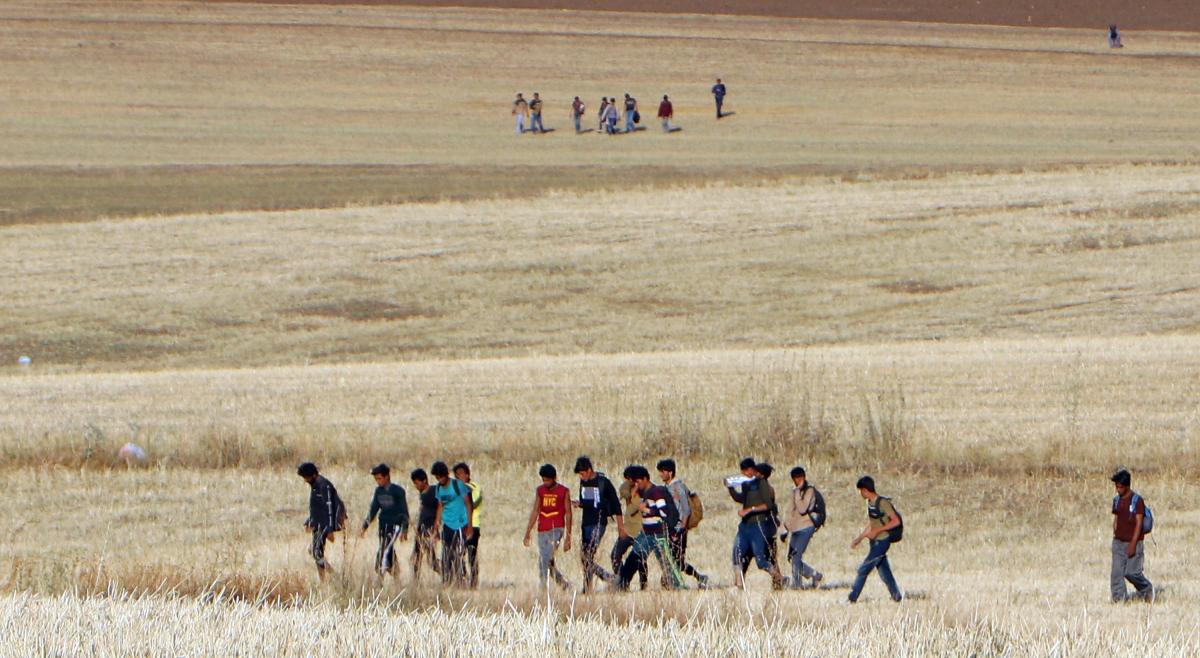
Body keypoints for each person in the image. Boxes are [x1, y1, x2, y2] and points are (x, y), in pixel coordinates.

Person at [727, 458, 784, 589]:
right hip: (745, 526)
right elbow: (742, 499)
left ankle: (780, 579)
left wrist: (750, 510)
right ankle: (738, 586)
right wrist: (730, 488)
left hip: (759, 525)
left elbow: (768, 505)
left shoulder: (762, 484)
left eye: (747, 470)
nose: (745, 473)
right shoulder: (746, 484)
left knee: (761, 560)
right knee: (737, 553)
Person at [629, 465, 685, 590]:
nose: (636, 485)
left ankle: (678, 585)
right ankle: (622, 582)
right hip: (647, 533)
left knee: (667, 562)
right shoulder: (645, 493)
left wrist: (647, 509)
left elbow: (663, 511)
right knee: (635, 557)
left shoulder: (656, 492)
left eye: (637, 482)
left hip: (658, 534)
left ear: (645, 479)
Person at [848, 476, 904, 603]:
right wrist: (860, 538)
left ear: (865, 490)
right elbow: (873, 524)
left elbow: (896, 521)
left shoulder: (883, 503)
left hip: (882, 541)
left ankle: (852, 598)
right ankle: (897, 596)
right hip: (874, 542)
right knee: (885, 573)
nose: (860, 493)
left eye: (861, 490)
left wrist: (878, 531)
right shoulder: (870, 503)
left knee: (863, 569)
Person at [657, 459, 709, 588]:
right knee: (671, 558)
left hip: (678, 528)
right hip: (669, 528)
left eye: (663, 471)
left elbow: (686, 509)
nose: (661, 474)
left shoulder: (679, 487)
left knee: (677, 560)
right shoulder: (666, 488)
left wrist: (681, 529)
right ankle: (670, 581)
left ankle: (697, 577)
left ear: (670, 472)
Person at [573, 456, 622, 593]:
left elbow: (616, 504)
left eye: (583, 474)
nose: (581, 477)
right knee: (585, 557)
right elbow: (586, 501)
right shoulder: (583, 483)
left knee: (588, 555)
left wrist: (620, 527)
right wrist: (579, 504)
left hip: (599, 522)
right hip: (586, 522)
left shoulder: (603, 482)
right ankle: (588, 586)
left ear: (589, 470)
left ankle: (610, 578)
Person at [523, 464, 573, 590]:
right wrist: (528, 531)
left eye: (548, 480)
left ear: (554, 478)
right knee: (548, 560)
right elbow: (535, 510)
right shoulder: (540, 491)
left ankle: (543, 586)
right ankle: (563, 584)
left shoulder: (563, 491)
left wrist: (568, 536)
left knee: (543, 559)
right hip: (542, 529)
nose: (545, 483)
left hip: (557, 528)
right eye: (543, 480)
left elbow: (568, 513)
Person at [297, 462, 346, 581]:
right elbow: (317, 507)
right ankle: (325, 579)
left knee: (316, 552)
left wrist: (330, 529)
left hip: (325, 523)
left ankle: (334, 577)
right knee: (315, 552)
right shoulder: (316, 485)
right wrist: (310, 521)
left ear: (313, 475)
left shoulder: (323, 485)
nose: (305, 480)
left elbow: (329, 508)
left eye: (306, 477)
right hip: (319, 523)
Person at [360, 463, 409, 581]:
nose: (378, 481)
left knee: (384, 550)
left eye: (380, 478)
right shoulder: (378, 491)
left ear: (387, 476)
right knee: (389, 550)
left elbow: (404, 511)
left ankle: (379, 579)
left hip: (394, 526)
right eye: (376, 479)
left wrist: (404, 529)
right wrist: (364, 526)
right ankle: (396, 577)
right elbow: (373, 509)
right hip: (383, 525)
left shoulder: (398, 491)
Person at [1110, 469, 1153, 602]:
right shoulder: (1116, 500)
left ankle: (1146, 590)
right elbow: (1116, 518)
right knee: (1116, 573)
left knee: (1132, 573)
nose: (1118, 489)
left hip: (1134, 542)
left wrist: (1133, 544)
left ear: (1127, 486)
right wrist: (1115, 532)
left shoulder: (1137, 501)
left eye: (1120, 486)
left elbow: (1139, 523)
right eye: (1116, 486)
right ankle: (1119, 599)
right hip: (1118, 542)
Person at [431, 461, 474, 586]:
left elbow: (468, 504)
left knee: (459, 553)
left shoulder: (458, 485)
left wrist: (470, 526)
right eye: (437, 477)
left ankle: (461, 579)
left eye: (441, 476)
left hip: (460, 524)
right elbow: (440, 506)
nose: (440, 480)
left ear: (446, 474)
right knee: (446, 553)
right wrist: (436, 526)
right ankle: (447, 580)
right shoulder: (439, 488)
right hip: (447, 525)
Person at [781, 466, 823, 589]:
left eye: (799, 478)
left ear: (804, 477)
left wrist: (798, 492)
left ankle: (797, 584)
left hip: (806, 527)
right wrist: (785, 527)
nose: (797, 481)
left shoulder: (810, 491)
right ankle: (815, 574)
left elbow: (802, 508)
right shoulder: (794, 492)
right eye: (794, 478)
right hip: (795, 528)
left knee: (796, 556)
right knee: (791, 557)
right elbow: (791, 511)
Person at [613, 474, 648, 590]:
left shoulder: (643, 494)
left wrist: (636, 491)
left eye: (629, 479)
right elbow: (622, 491)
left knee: (641, 559)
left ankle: (643, 584)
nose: (626, 482)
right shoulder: (627, 491)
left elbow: (633, 510)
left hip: (639, 530)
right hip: (628, 530)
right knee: (615, 555)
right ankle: (621, 581)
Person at [454, 462, 483, 589]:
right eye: (456, 475)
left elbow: (473, 504)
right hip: (459, 525)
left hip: (473, 524)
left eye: (460, 474)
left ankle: (474, 581)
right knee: (458, 553)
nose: (458, 477)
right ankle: (462, 577)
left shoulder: (474, 487)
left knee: (471, 553)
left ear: (467, 474)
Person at [410, 468, 440, 580]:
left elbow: (440, 508)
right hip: (421, 529)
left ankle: (448, 574)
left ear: (424, 480)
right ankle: (415, 580)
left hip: (430, 528)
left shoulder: (434, 491)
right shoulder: (422, 494)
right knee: (417, 557)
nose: (416, 486)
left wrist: (436, 528)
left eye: (417, 483)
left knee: (431, 560)